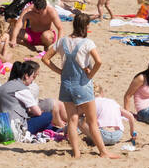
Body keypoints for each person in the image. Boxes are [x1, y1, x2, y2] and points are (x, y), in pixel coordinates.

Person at [45, 11, 119, 159]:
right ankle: (103, 152)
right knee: (92, 122)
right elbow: (99, 62)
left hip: (66, 85)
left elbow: (45, 58)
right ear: (85, 26)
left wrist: (59, 71)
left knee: (72, 120)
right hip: (82, 85)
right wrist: (90, 75)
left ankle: (76, 153)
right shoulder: (87, 43)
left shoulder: (62, 41)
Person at [0, 60, 67, 137]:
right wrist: (37, 112)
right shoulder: (22, 89)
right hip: (13, 129)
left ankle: (56, 129)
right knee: (48, 116)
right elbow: (38, 112)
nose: (32, 81)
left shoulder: (3, 86)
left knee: (42, 120)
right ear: (26, 76)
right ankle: (59, 129)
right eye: (33, 77)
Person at [83, 85, 137, 150]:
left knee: (80, 120)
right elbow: (130, 116)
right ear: (102, 93)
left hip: (102, 135)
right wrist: (132, 132)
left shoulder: (91, 103)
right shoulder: (113, 101)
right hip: (117, 135)